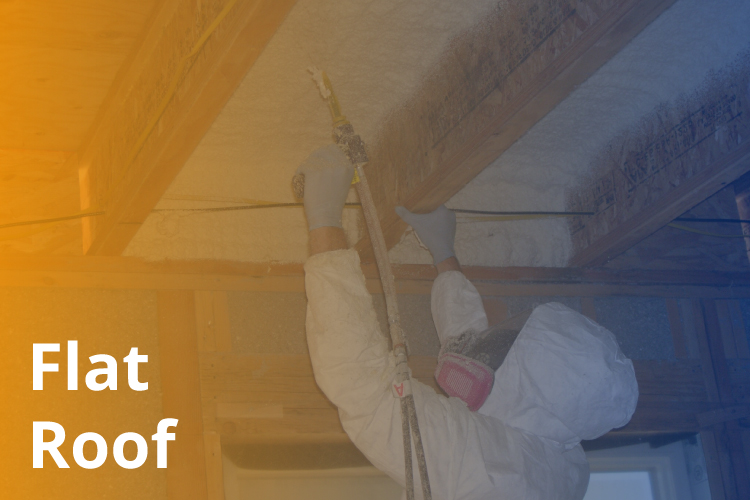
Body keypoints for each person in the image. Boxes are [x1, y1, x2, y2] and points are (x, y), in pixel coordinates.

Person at [298, 144, 638, 500]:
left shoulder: (485, 466)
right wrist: (445, 256)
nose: (495, 339)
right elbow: (478, 355)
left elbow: (362, 386)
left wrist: (325, 223)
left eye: (508, 344)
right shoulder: (561, 453)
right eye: (511, 334)